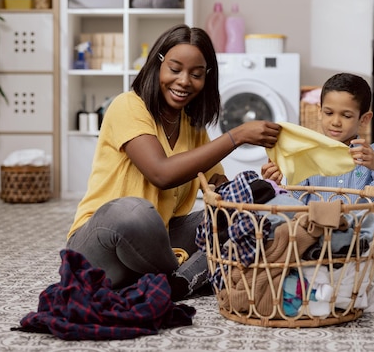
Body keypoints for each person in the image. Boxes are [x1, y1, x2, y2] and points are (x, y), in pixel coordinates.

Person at [66, 24, 281, 300]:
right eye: (175, 69)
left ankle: (177, 278)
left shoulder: (192, 126)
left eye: (196, 74)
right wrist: (236, 136)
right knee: (133, 212)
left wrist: (258, 187)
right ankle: (187, 275)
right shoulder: (128, 106)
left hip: (159, 242)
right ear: (158, 65)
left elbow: (219, 192)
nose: (184, 81)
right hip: (101, 246)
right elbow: (161, 173)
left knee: (246, 217)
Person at [262, 72, 374, 275]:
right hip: (316, 237)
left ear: (364, 119)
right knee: (271, 232)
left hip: (361, 239)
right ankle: (345, 270)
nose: (335, 122)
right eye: (328, 113)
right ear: (320, 112)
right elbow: (294, 206)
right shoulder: (306, 154)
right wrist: (275, 184)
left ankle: (324, 269)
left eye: (346, 115)